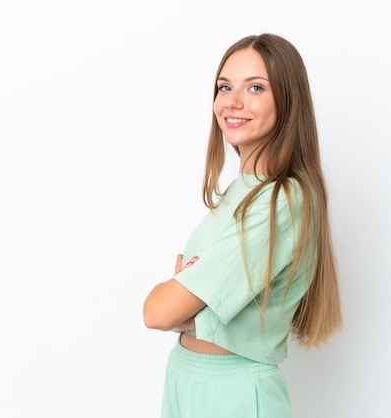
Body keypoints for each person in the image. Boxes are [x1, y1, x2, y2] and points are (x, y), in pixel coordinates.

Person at [143, 33, 343, 418]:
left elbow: (158, 312)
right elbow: (173, 310)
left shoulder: (283, 199)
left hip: (232, 392)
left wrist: (185, 303)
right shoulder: (243, 191)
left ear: (287, 100)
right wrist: (192, 306)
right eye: (224, 87)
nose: (233, 102)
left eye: (255, 87)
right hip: (186, 378)